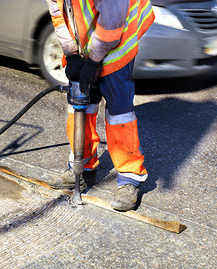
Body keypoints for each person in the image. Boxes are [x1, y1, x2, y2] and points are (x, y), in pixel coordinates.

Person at [46, 0, 155, 211]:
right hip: (91, 34)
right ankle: (83, 166)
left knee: (119, 112)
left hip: (118, 34)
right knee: (81, 104)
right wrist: (71, 53)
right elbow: (58, 15)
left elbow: (112, 24)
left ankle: (130, 178)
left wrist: (94, 62)